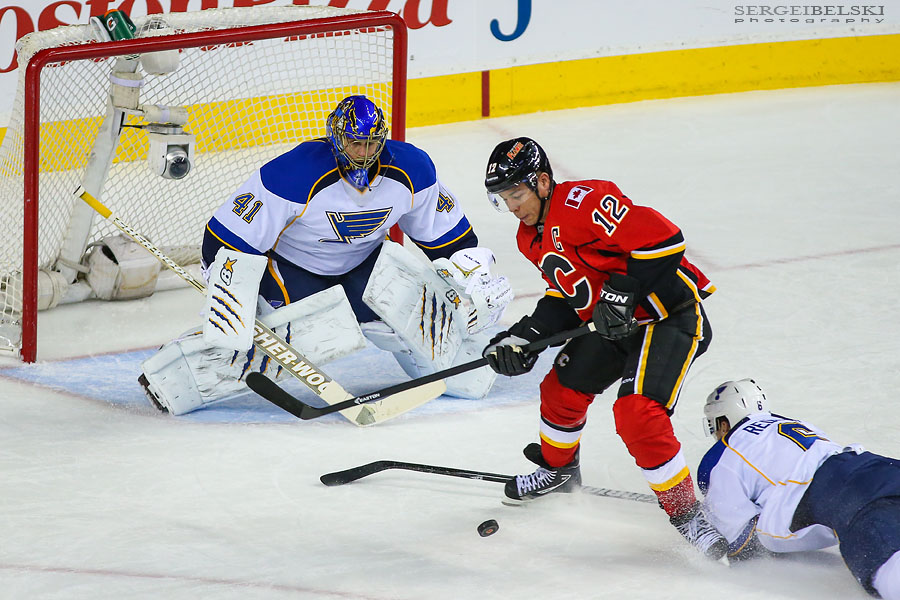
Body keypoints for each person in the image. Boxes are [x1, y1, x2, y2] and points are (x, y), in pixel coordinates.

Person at [138, 95, 512, 421]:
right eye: (354, 143)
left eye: (371, 143)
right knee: (288, 342)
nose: (363, 153)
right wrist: (230, 295)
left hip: (367, 265)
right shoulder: (293, 174)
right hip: (292, 271)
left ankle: (456, 369)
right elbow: (226, 236)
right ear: (336, 136)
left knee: (419, 317)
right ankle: (174, 373)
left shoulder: (412, 170)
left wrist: (470, 282)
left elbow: (450, 238)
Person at [481, 137, 726, 559]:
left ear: (542, 182)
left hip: (668, 317)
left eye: (516, 194)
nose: (513, 206)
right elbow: (567, 296)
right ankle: (559, 471)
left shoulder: (583, 201)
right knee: (560, 389)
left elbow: (664, 240)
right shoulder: (529, 238)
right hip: (614, 326)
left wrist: (621, 292)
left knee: (637, 413)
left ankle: (688, 516)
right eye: (503, 198)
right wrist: (524, 337)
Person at [699, 378, 900, 598]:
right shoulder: (793, 423)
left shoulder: (720, 457)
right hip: (878, 466)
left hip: (846, 498)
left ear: (724, 423)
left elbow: (740, 543)